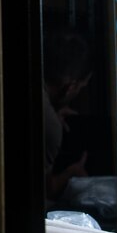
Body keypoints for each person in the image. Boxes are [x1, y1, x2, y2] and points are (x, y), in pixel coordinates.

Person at [42, 27, 93, 202]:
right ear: (70, 87)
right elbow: (45, 191)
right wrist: (73, 172)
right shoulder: (49, 125)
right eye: (80, 87)